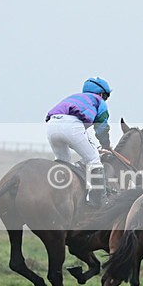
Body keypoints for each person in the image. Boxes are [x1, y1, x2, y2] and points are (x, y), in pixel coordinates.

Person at [45, 77, 112, 207]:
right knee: (94, 160)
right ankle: (98, 201)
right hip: (71, 126)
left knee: (63, 163)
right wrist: (106, 145)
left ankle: (58, 194)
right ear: (100, 94)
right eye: (105, 96)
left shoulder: (74, 97)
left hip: (51, 125)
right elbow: (101, 127)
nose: (105, 100)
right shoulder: (99, 101)